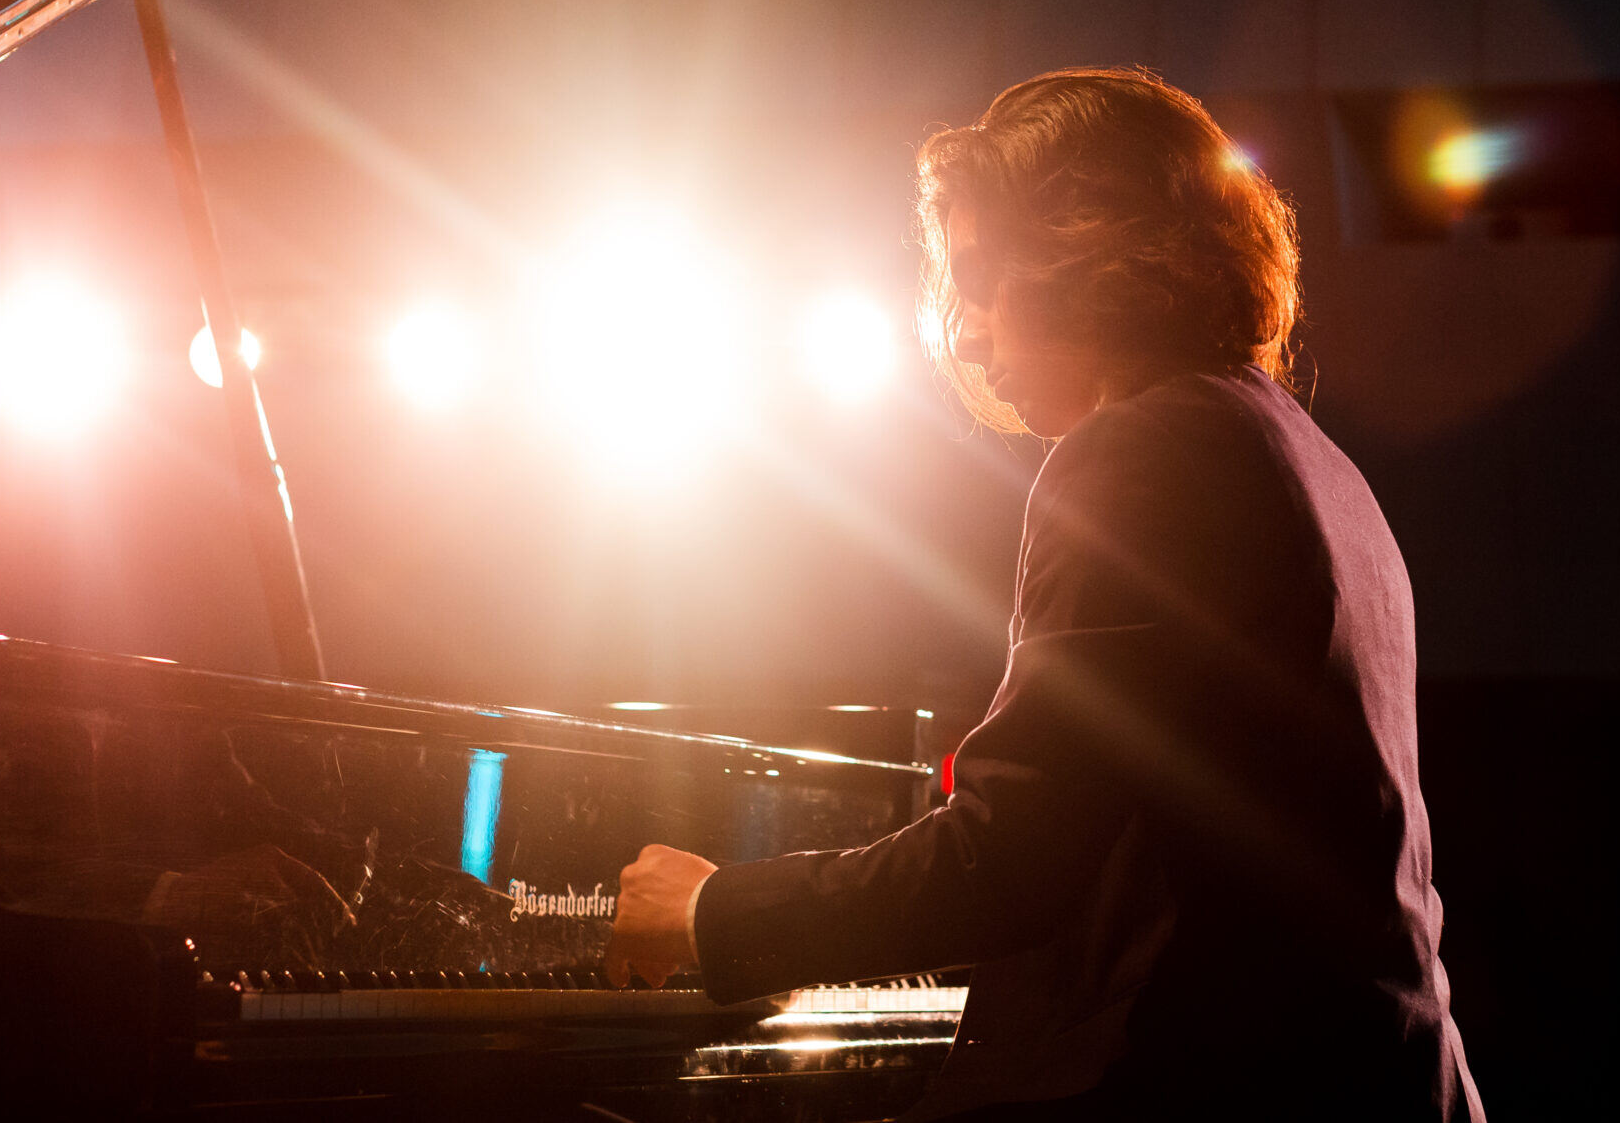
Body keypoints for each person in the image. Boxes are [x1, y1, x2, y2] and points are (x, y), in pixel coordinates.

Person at [608, 67, 1482, 1120]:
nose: (966, 336)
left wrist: (715, 910)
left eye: (983, 278)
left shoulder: (1146, 447)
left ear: (1096, 245)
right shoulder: (1305, 455)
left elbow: (1009, 859)